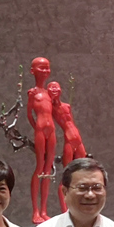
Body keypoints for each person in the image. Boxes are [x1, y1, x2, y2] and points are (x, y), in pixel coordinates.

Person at [46, 81, 87, 213]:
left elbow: (71, 122)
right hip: (68, 140)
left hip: (77, 139)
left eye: (56, 87)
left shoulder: (67, 106)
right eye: (51, 88)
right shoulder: (50, 108)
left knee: (83, 170)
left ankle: (80, 205)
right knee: (66, 176)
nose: (54, 90)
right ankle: (65, 210)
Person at [26, 57, 57, 224]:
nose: (45, 71)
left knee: (48, 169)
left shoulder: (48, 93)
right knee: (39, 167)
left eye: (47, 68)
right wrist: (36, 128)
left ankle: (44, 210)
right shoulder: (32, 93)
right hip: (40, 130)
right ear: (33, 71)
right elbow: (29, 114)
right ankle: (35, 211)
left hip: (51, 131)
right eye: (41, 68)